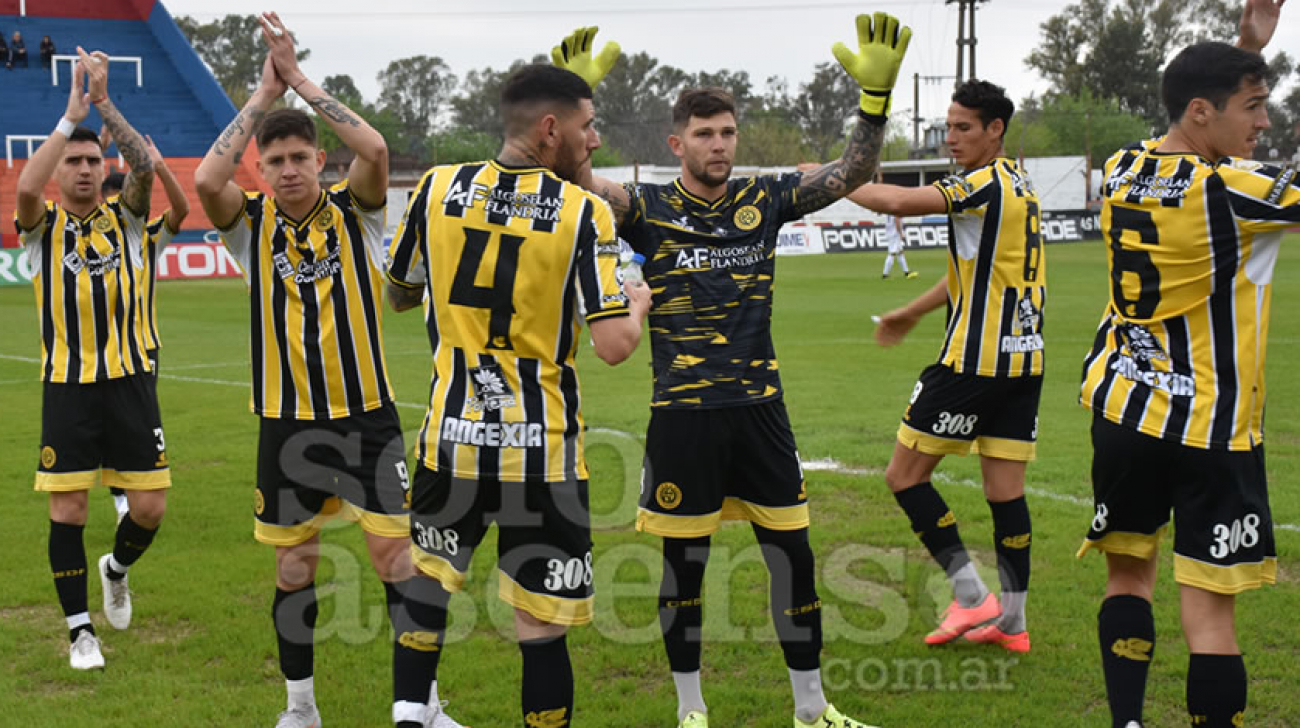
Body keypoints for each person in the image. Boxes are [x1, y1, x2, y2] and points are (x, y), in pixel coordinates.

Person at [553, 14, 909, 728]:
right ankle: (692, 711)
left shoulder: (764, 199)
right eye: (705, 135)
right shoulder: (645, 208)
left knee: (794, 561)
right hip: (684, 417)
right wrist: (565, 103)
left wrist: (873, 104)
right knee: (685, 572)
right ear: (676, 142)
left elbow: (852, 174)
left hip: (760, 411)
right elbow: (571, 177)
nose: (719, 145)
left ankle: (812, 710)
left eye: (728, 133)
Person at [193, 13, 464, 728]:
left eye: (297, 158)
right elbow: (204, 177)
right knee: (294, 569)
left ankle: (425, 708)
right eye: (273, 160)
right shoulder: (250, 225)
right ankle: (300, 709)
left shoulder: (358, 213)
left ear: (320, 162)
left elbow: (373, 146)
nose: (285, 170)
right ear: (265, 167)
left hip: (366, 417)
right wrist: (262, 90)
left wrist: (301, 81)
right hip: (285, 424)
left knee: (396, 561)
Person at [386, 62, 650, 728]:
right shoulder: (583, 212)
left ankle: (410, 716)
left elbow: (398, 291)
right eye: (588, 129)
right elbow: (614, 345)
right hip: (543, 455)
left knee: (429, 586)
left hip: (453, 440)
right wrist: (639, 304)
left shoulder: (436, 187)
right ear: (551, 128)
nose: (594, 143)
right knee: (541, 624)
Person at [1077, 1, 1292, 726]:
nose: (1263, 124)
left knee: (1129, 576)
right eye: (1255, 108)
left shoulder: (1121, 167)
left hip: (1126, 409)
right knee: (1210, 618)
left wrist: (1241, 51)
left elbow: (1192, 131)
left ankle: (1129, 722)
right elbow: (1230, 171)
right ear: (1203, 112)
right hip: (1212, 428)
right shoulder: (1239, 190)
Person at [845, 78, 1044, 654]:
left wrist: (833, 178)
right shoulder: (1019, 183)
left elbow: (895, 201)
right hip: (1023, 361)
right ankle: (1012, 623)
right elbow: (972, 273)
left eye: (963, 128)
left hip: (972, 365)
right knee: (1005, 493)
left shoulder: (979, 184)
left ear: (995, 130)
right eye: (947, 127)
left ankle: (970, 593)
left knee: (904, 477)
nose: (951, 138)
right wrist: (909, 312)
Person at [15, 47, 163, 671]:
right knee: (69, 508)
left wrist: (104, 105)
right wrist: (69, 115)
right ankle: (80, 631)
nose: (81, 169)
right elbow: (24, 185)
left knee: (150, 510)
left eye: (90, 159)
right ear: (59, 170)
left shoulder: (124, 219)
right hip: (69, 387)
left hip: (130, 381)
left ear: (102, 166)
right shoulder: (42, 226)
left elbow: (146, 172)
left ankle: (116, 568)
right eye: (72, 161)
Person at [100, 138, 189, 524]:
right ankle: (121, 501)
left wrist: (160, 166)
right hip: (98, 351)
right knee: (106, 423)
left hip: (143, 349)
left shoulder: (149, 238)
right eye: (109, 202)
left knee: (136, 423)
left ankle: (136, 495)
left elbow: (182, 209)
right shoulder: (87, 240)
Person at [880, 212, 916, 279]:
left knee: (900, 252)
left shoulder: (890, 209)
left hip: (890, 232)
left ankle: (907, 272)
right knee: (892, 253)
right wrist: (900, 233)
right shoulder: (896, 210)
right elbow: (897, 220)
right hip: (895, 234)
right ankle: (885, 274)